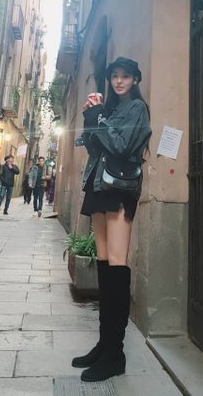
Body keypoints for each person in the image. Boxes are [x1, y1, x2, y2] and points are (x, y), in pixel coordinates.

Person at [71, 57, 152, 382]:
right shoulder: (112, 109)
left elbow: (120, 145)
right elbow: (93, 146)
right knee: (104, 267)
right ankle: (104, 345)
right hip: (99, 187)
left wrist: (99, 119)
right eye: (115, 76)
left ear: (135, 79)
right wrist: (91, 116)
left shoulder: (137, 109)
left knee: (117, 268)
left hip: (119, 190)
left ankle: (115, 354)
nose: (119, 81)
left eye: (126, 76)